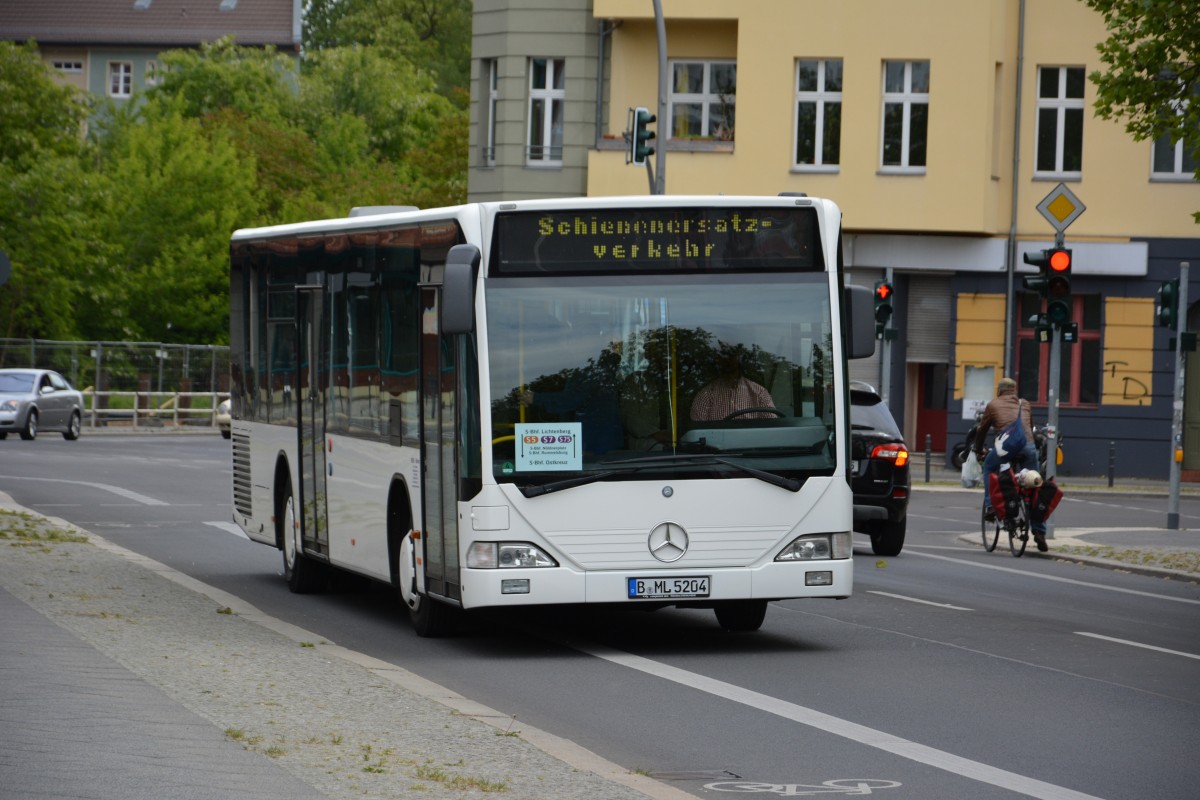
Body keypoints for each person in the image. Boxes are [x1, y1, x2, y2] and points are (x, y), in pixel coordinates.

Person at [974, 377, 1047, 551]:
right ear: (1014, 390)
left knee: (989, 468)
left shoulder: (993, 405)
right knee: (1034, 485)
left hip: (1005, 449)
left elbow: (982, 430)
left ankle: (991, 506)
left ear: (999, 391)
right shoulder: (1025, 404)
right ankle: (1039, 531)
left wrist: (978, 450)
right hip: (1028, 448)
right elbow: (1029, 427)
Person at [690, 346, 776, 421]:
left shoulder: (759, 393)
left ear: (740, 368)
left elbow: (772, 428)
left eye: (732, 370)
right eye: (725, 370)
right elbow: (698, 432)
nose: (729, 375)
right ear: (720, 369)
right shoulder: (705, 395)